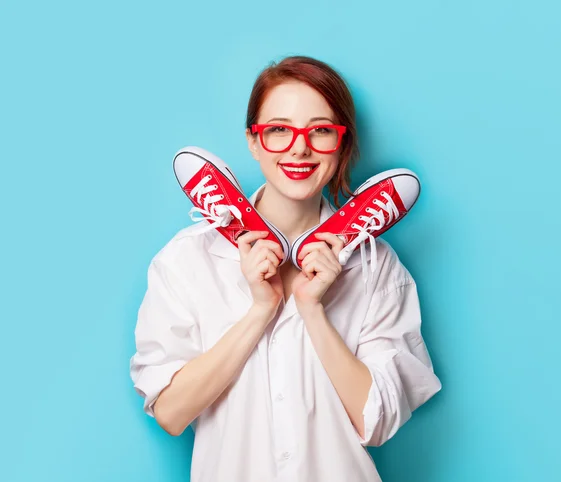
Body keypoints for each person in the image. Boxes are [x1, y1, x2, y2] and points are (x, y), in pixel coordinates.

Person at [130, 55, 442, 482]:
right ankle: (239, 224)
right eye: (278, 129)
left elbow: (379, 422)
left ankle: (344, 230)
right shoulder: (187, 259)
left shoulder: (375, 266)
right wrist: (261, 309)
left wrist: (313, 309)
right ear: (253, 141)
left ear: (342, 143)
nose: (299, 147)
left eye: (321, 131)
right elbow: (169, 412)